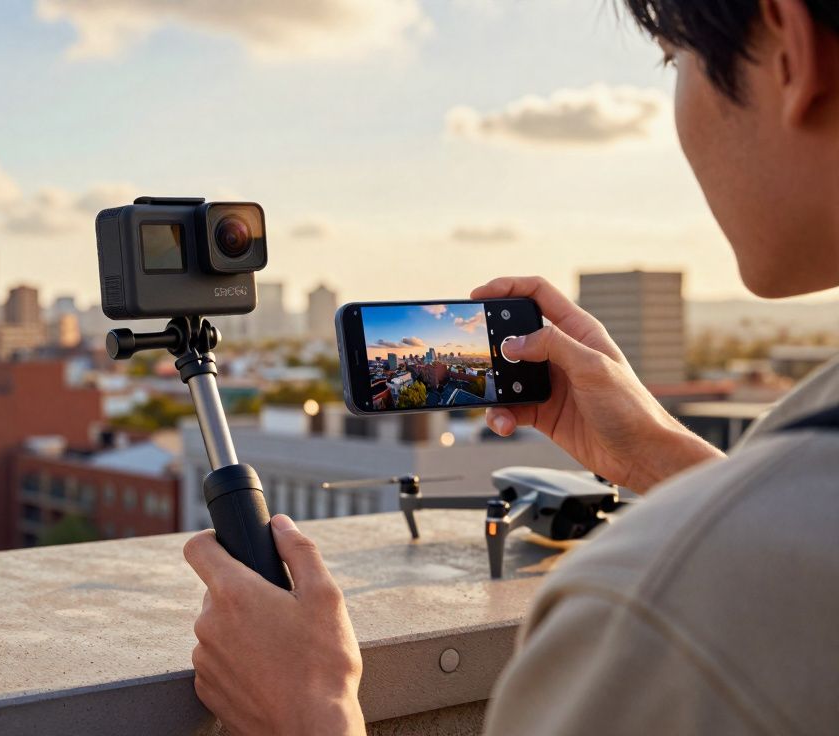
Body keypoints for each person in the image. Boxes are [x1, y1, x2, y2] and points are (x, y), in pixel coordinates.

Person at [182, 0, 839, 733]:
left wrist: (308, 710)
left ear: (791, 48)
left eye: (672, 58)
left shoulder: (651, 608)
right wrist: (653, 454)